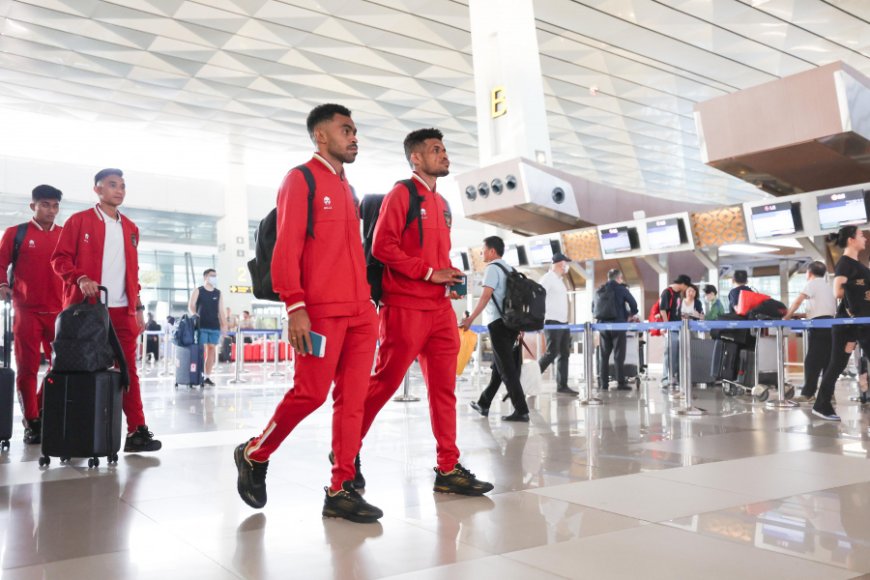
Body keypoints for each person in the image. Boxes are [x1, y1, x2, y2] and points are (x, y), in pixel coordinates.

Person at [233, 103, 382, 523]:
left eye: (355, 130)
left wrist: (369, 304)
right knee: (310, 393)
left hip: (360, 312)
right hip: (319, 312)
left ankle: (340, 489)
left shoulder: (348, 188)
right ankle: (254, 453)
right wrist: (295, 306)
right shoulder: (300, 180)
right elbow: (287, 248)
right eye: (346, 130)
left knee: (353, 402)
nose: (354, 137)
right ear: (321, 136)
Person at [359, 127, 493, 496]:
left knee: (444, 389)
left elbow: (435, 253)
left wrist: (445, 276)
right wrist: (428, 272)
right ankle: (346, 451)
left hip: (438, 309)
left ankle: (447, 468)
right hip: (404, 306)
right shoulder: (402, 193)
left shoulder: (443, 204)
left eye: (444, 149)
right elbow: (382, 246)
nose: (444, 155)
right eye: (436, 150)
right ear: (416, 157)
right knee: (384, 384)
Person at [51, 168, 161, 452]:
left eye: (123, 186)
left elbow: (133, 271)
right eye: (112, 185)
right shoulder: (78, 222)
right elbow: (59, 259)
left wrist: (137, 306)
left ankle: (137, 431)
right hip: (86, 312)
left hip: (122, 311)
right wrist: (80, 278)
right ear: (97, 190)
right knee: (79, 367)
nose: (119, 190)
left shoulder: (131, 228)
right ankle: (69, 429)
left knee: (128, 371)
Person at [0, 185, 64, 444]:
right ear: (33, 206)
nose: (51, 210)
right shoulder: (16, 234)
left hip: (60, 313)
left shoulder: (64, 235)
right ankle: (32, 421)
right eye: (45, 205)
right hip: (25, 311)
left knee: (61, 367)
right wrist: (2, 284)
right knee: (27, 368)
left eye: (55, 206)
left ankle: (38, 407)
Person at [461, 236, 530, 422]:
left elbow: (484, 297)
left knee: (506, 368)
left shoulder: (492, 268)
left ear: (492, 251)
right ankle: (484, 404)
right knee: (498, 368)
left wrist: (470, 319)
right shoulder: (510, 269)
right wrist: (520, 325)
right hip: (511, 324)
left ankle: (522, 410)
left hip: (498, 324)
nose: (481, 253)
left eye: (483, 249)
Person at [813, 226, 870, 420]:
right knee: (837, 364)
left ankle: (821, 404)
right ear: (852, 240)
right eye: (861, 235)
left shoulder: (858, 264)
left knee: (837, 364)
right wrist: (855, 292)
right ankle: (821, 404)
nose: (865, 238)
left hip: (860, 324)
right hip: (849, 323)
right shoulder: (845, 263)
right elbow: (837, 291)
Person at [784, 261, 836, 404]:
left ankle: (808, 394)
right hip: (831, 325)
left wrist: (786, 317)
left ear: (809, 273)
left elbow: (797, 301)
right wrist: (804, 315)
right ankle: (829, 395)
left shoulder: (811, 284)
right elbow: (823, 308)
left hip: (818, 327)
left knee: (812, 361)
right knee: (827, 361)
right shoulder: (828, 286)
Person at [537, 253, 578, 395]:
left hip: (563, 323)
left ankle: (562, 385)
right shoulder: (547, 278)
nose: (567, 266)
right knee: (551, 353)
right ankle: (529, 379)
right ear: (560, 264)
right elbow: (538, 296)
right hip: (552, 321)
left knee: (564, 354)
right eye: (566, 263)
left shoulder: (559, 280)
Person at [595, 269, 638, 391]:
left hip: (603, 326)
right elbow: (633, 304)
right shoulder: (621, 288)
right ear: (619, 278)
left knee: (604, 356)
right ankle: (620, 383)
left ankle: (604, 384)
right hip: (618, 325)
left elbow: (593, 307)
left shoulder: (599, 289)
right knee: (619, 356)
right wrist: (631, 314)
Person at [188, 269, 227, 386]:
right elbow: (191, 305)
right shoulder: (198, 290)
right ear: (205, 277)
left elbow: (221, 311)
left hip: (214, 326)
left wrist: (224, 325)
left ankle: (207, 376)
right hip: (201, 326)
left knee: (211, 350)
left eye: (215, 275)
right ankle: (197, 375)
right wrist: (195, 315)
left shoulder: (218, 293)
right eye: (211, 275)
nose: (214, 278)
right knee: (200, 351)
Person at [657, 274, 690, 388]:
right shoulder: (667, 292)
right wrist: (666, 326)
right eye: (687, 286)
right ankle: (665, 378)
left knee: (677, 353)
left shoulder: (677, 294)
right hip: (671, 328)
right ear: (683, 284)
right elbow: (663, 310)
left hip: (678, 327)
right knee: (669, 353)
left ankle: (674, 376)